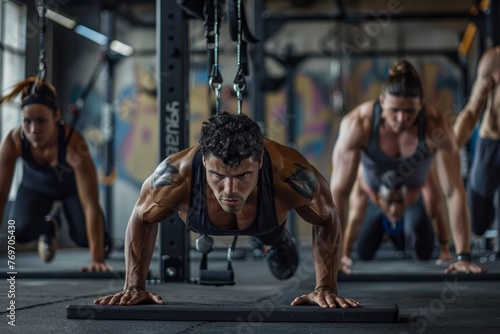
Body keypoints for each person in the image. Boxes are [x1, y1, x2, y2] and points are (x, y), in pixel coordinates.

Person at [94, 111, 360, 308]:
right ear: (204, 159)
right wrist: (133, 286)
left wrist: (326, 286)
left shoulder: (288, 173)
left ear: (260, 161)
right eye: (217, 176)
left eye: (243, 175)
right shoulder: (175, 175)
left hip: (269, 225)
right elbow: (141, 217)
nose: (230, 189)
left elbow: (328, 217)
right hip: (204, 220)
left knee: (286, 268)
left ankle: (277, 242)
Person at [330, 59, 486, 274]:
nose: (402, 119)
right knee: (364, 249)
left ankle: (434, 245)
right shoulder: (358, 124)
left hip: (413, 196)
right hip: (376, 197)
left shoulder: (435, 125)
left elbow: (453, 191)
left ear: (421, 104)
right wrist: (335, 256)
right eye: (395, 110)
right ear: (382, 101)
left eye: (410, 111)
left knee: (423, 247)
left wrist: (463, 255)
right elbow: (339, 191)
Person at [0, 77, 112, 272]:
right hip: (34, 188)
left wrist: (97, 259)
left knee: (88, 239)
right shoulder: (14, 140)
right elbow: (0, 196)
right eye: (27, 121)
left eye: (42, 121)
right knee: (18, 231)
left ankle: (101, 241)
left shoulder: (73, 141)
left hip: (71, 190)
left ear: (56, 116)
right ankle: (49, 227)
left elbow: (90, 203)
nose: (34, 130)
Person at [341, 166, 453, 274]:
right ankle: (389, 206)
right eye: (390, 203)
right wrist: (344, 255)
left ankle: (400, 205)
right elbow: (355, 218)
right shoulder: (366, 175)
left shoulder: (420, 169)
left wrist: (445, 249)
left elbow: (435, 210)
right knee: (363, 253)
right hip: (381, 203)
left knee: (422, 252)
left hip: (410, 202)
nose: (394, 209)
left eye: (398, 202)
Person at [453, 45, 500, 247]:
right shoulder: (494, 60)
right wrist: (450, 150)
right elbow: (472, 112)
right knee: (477, 224)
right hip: (490, 144)